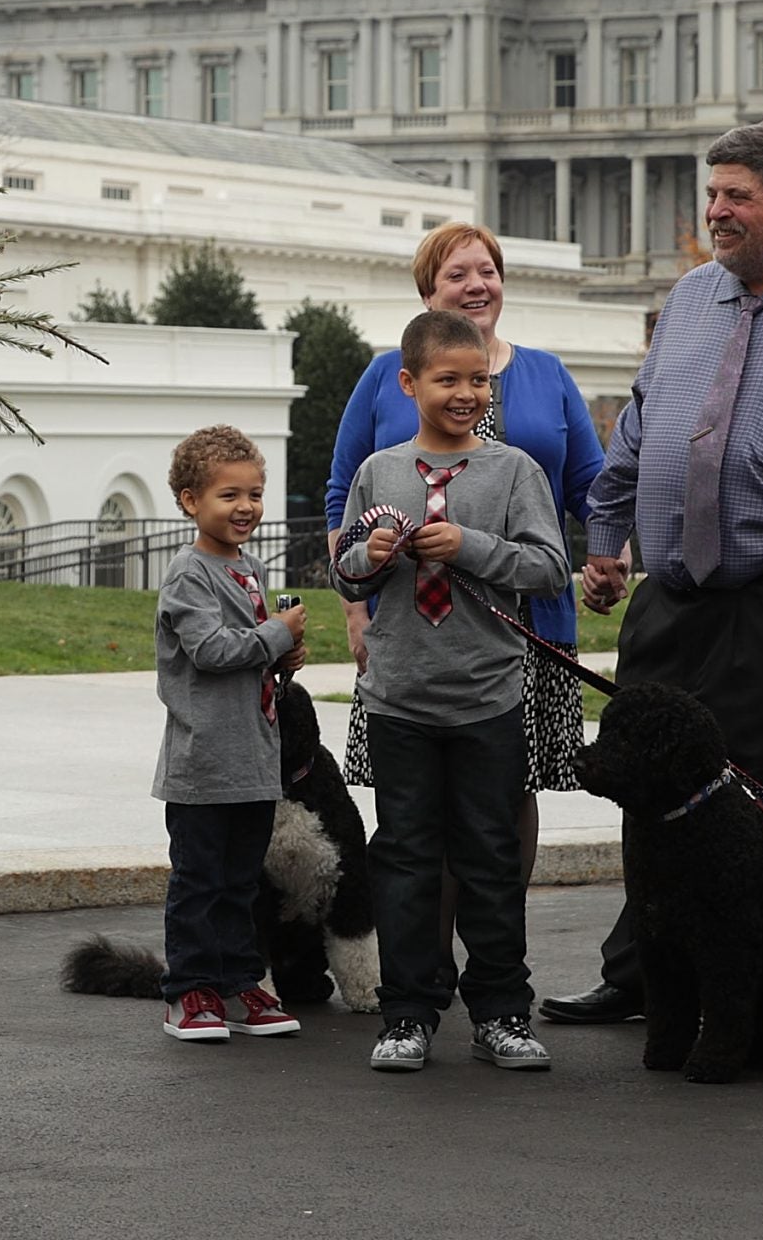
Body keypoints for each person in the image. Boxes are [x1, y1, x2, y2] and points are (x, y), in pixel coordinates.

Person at [540, 120, 763, 1029]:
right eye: (713, 193)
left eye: (735, 196)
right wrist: (607, 538)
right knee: (648, 797)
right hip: (671, 600)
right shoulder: (690, 298)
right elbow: (642, 430)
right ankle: (644, 979)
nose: (715, 212)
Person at [334, 309, 572, 1073]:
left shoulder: (515, 473)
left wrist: (469, 545)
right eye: (448, 380)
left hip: (488, 703)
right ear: (409, 384)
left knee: (491, 858)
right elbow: (343, 567)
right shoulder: (380, 470)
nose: (466, 393)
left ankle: (502, 1009)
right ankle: (407, 1013)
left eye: (478, 381)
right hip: (400, 699)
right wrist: (366, 559)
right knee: (403, 860)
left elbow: (547, 567)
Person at [325, 222, 605, 868]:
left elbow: (591, 484)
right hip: (411, 632)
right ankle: (425, 956)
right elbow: (345, 492)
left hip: (525, 624)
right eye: (458, 274)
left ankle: (498, 948)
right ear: (428, 293)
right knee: (418, 804)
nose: (477, 285)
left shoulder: (548, 373)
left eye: (487, 271)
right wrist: (355, 611)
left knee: (509, 790)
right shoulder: (382, 376)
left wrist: (606, 555)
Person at [150, 424, 310, 1043]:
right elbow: (212, 650)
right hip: (203, 764)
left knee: (244, 882)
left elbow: (249, 655)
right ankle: (189, 990)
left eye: (255, 494)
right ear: (191, 501)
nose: (245, 508)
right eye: (228, 496)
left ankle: (242, 978)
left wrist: (281, 656)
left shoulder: (252, 566)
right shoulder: (189, 574)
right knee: (199, 882)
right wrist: (275, 634)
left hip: (252, 758)